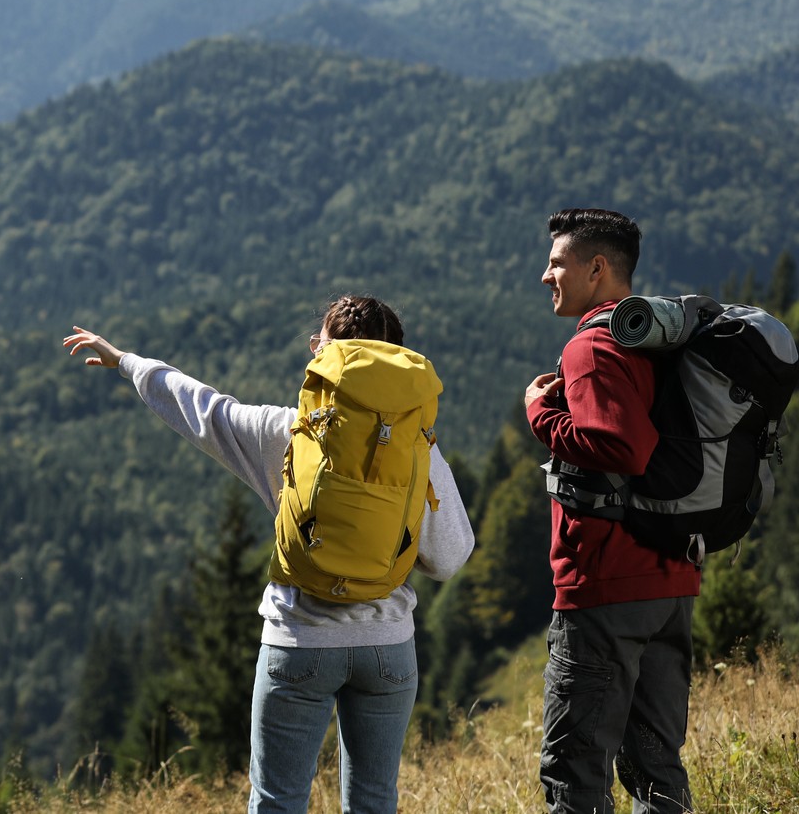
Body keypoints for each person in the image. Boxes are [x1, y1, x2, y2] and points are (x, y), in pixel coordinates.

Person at [64, 295, 474, 814]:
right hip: (388, 648)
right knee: (374, 801)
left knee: (277, 800)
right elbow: (451, 557)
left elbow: (203, 409)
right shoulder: (420, 447)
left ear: (319, 356)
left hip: (297, 640)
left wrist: (127, 362)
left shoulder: (284, 433)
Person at [523, 209, 700, 814]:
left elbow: (624, 448)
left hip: (605, 588)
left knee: (576, 776)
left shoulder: (594, 346)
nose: (546, 275)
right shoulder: (656, 341)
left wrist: (541, 416)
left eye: (556, 263)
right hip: (670, 577)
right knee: (657, 771)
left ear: (596, 268)